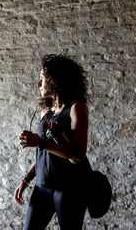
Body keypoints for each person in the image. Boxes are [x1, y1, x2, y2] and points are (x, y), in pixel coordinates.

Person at [15, 54, 91, 229]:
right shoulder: (46, 112)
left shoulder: (76, 108)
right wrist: (26, 180)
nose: (38, 84)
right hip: (42, 186)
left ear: (56, 80)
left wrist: (40, 142)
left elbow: (78, 154)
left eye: (42, 79)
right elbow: (44, 154)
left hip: (68, 189)